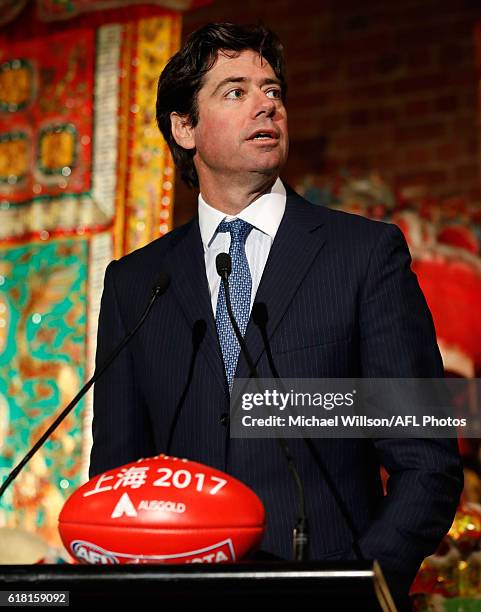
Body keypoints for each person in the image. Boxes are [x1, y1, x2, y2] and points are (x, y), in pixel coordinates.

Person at [89, 22, 463, 609]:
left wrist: (363, 585)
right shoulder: (136, 284)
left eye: (273, 91)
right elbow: (117, 478)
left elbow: (429, 462)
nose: (266, 103)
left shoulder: (364, 255)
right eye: (235, 91)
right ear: (184, 128)